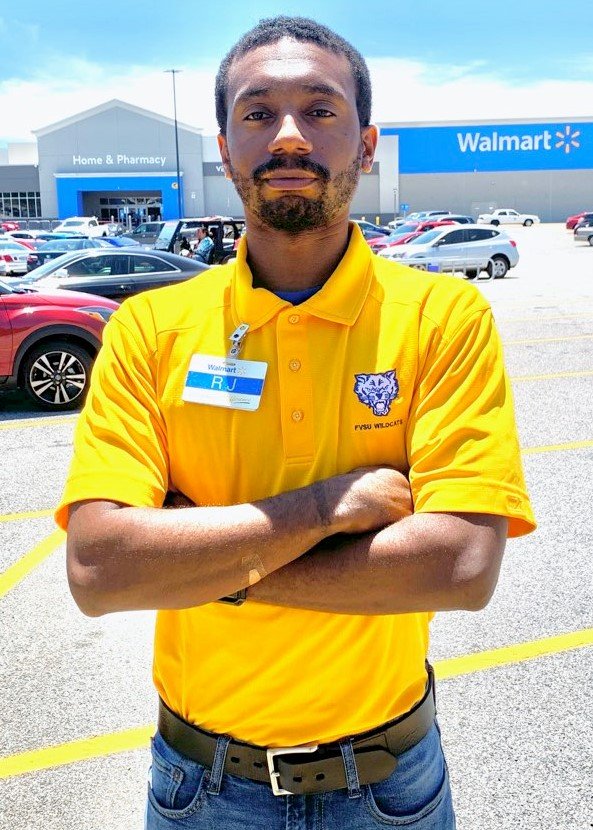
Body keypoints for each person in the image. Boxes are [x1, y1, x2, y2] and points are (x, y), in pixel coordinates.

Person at [57, 16, 536, 829]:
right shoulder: (150, 329)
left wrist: (200, 562)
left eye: (320, 111)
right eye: (257, 113)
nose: (287, 136)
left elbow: (458, 567)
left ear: (366, 143)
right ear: (223, 147)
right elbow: (101, 570)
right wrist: (324, 510)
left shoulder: (441, 317)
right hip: (200, 787)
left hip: (388, 785)